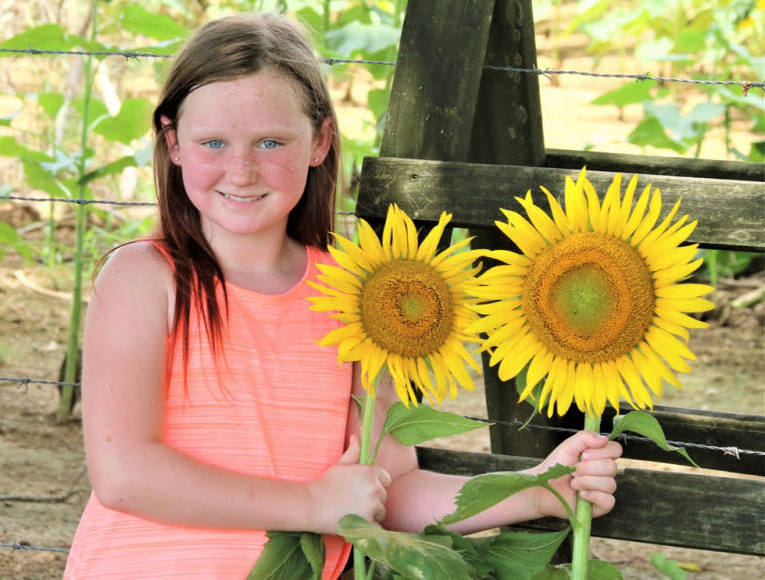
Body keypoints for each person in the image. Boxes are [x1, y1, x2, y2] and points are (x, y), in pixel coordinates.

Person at [64, 12, 623, 579]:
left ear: (320, 141)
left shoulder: (355, 294)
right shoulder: (144, 278)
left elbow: (388, 490)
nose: (242, 169)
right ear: (172, 142)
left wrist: (536, 490)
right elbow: (125, 475)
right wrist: (311, 503)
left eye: (270, 142)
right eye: (213, 142)